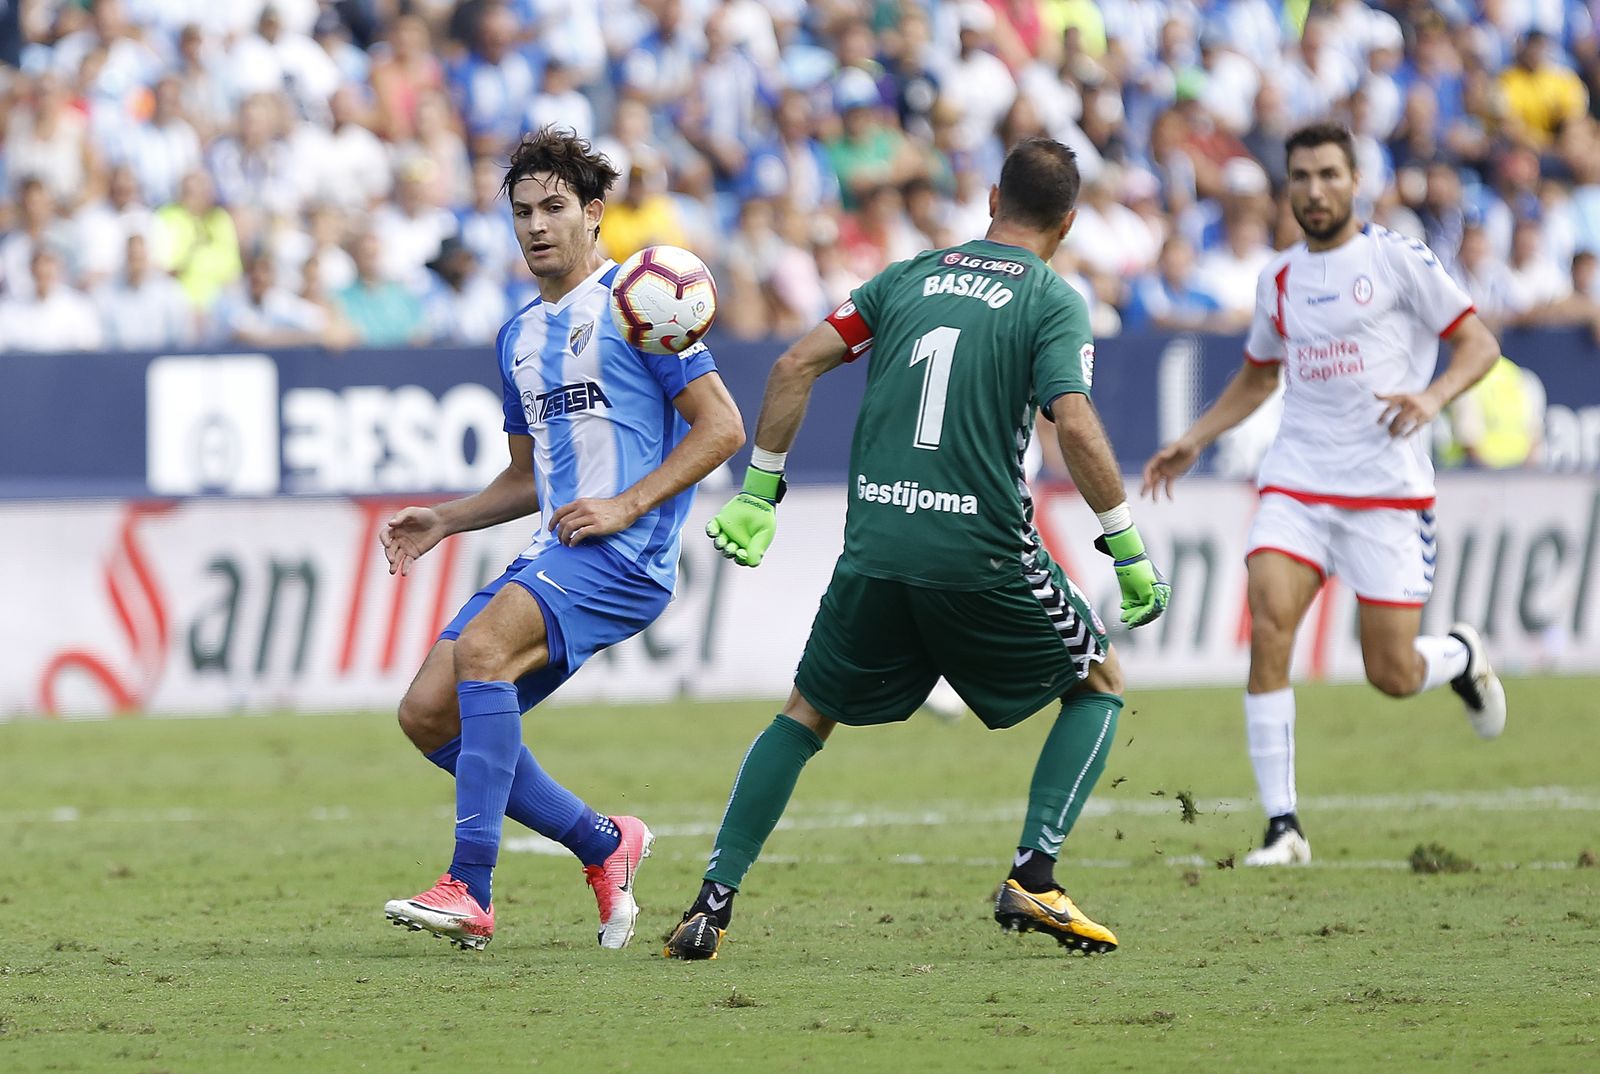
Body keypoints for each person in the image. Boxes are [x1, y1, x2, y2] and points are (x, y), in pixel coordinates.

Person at [662, 138, 1171, 961]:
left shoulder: (906, 278)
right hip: (983, 552)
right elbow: (1071, 421)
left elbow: (794, 365)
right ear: (1069, 223)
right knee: (1101, 682)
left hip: (875, 547)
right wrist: (1127, 545)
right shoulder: (1051, 299)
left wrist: (761, 493)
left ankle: (709, 906)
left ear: (992, 197)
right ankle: (1035, 877)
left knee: (805, 714)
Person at [378, 128, 745, 951]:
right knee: (428, 714)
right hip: (559, 548)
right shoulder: (516, 338)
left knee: (480, 654)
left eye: (553, 208)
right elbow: (525, 478)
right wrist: (444, 518)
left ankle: (470, 889)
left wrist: (625, 504)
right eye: (522, 212)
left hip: (625, 553)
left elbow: (721, 428)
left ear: (592, 214)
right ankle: (604, 844)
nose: (537, 226)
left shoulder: (641, 302)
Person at [1140, 122, 1507, 868]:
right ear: (1288, 189)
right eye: (1301, 176)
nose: (1314, 190)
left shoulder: (1397, 259)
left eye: (1329, 175)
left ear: (1355, 181)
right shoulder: (1278, 277)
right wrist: (1197, 437)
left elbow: (1480, 343)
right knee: (1270, 624)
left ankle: (1460, 658)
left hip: (1388, 495)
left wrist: (1434, 398)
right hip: (1298, 482)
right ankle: (1284, 827)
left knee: (1391, 674)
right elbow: (1258, 373)